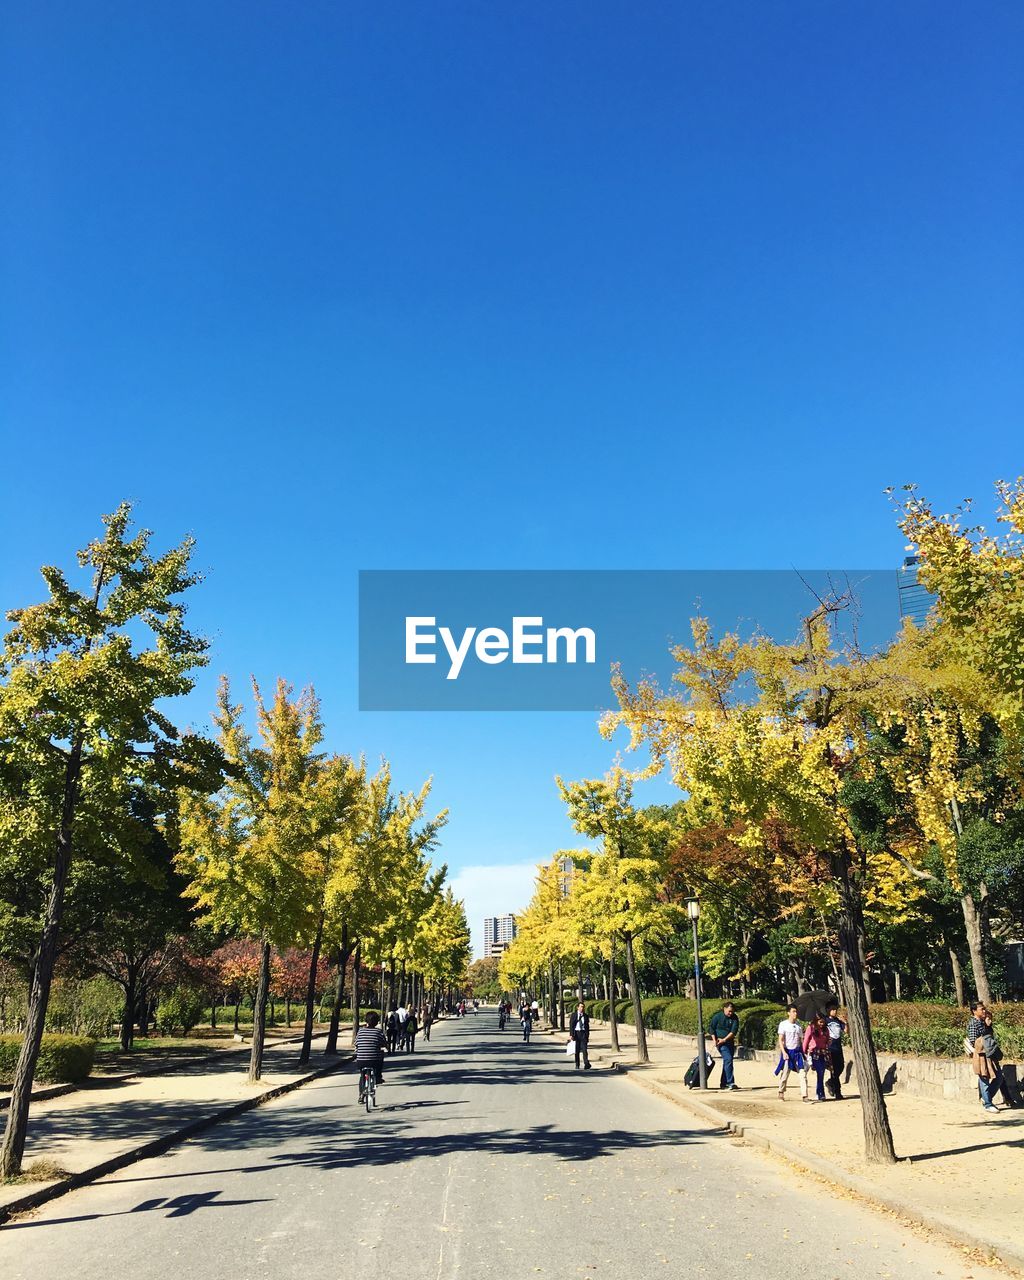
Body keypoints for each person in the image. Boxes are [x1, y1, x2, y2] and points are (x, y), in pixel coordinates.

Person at [775, 1005, 807, 1101]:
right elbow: (780, 1040)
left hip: (797, 1053)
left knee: (802, 1073)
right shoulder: (783, 1024)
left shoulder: (799, 1026)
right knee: (785, 1073)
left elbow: (801, 1040)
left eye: (796, 1011)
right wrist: (784, 1052)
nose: (795, 1014)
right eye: (793, 1011)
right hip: (788, 1052)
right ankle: (781, 1091)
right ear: (788, 1013)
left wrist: (804, 1052)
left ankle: (804, 1095)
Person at [708, 1001, 740, 1091]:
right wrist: (715, 1040)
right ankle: (730, 1082)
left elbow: (733, 1031)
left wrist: (725, 1039)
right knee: (728, 1059)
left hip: (728, 1042)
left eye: (732, 1011)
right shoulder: (717, 1017)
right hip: (720, 1043)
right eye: (729, 1011)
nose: (730, 1013)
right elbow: (711, 1028)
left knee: (728, 1061)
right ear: (724, 1009)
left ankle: (723, 1083)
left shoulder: (734, 1018)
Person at [354, 1011, 387, 1090]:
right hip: (375, 1061)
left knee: (362, 1075)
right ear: (376, 1022)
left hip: (361, 1061)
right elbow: (384, 1043)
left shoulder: (360, 1031)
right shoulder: (378, 1032)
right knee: (381, 1055)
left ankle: (361, 1095)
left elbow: (356, 1043)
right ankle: (378, 1077)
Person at [803, 1012, 830, 1103]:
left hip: (823, 1053)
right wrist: (804, 1052)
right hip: (813, 1053)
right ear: (816, 1021)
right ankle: (819, 1093)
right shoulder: (810, 1028)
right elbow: (806, 1040)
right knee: (818, 1071)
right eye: (820, 1022)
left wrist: (828, 1042)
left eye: (823, 1022)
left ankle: (820, 1093)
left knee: (821, 1073)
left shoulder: (826, 1030)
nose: (822, 1024)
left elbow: (827, 1040)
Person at [824, 1000, 846, 1100]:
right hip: (830, 1049)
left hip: (838, 1048)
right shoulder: (825, 1021)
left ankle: (830, 1082)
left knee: (841, 1067)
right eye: (832, 1009)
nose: (834, 1011)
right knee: (833, 1070)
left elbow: (845, 1031)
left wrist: (845, 1022)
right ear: (827, 1010)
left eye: (835, 1009)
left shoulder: (837, 1020)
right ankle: (838, 1092)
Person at [569, 1001, 592, 1070]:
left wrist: (587, 1035)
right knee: (577, 1050)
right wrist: (571, 1035)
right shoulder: (574, 1015)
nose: (582, 1008)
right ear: (577, 1007)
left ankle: (586, 1063)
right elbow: (571, 1025)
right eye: (581, 1007)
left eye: (583, 1007)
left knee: (585, 1050)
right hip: (576, 1034)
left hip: (583, 1034)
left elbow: (587, 1026)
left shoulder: (585, 1016)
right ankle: (577, 1064)